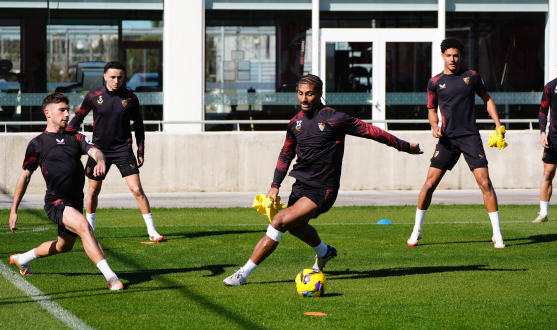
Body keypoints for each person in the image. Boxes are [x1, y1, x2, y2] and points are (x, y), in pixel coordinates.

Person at [223, 74, 423, 286]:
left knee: (278, 222)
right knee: (296, 228)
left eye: (309, 94)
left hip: (323, 189)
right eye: (300, 93)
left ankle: (243, 274)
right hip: (300, 185)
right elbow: (286, 154)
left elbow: (371, 131)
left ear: (319, 94)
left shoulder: (334, 118)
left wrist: (405, 146)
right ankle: (324, 252)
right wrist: (274, 187)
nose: (304, 99)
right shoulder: (295, 123)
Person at [9, 93, 123, 291]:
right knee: (84, 226)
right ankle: (111, 278)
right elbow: (24, 177)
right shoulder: (37, 144)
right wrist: (14, 209)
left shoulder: (75, 137)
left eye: (67, 109)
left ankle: (22, 258)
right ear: (48, 113)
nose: (66, 113)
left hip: (75, 202)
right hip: (56, 202)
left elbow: (94, 150)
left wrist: (101, 160)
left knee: (64, 246)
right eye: (61, 109)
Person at [406, 37, 505, 249]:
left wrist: (497, 123)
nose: (452, 59)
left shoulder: (472, 76)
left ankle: (497, 234)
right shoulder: (434, 82)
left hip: (470, 137)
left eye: (456, 56)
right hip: (447, 139)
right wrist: (434, 126)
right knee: (429, 184)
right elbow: (431, 110)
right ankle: (417, 230)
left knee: (485, 183)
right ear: (442, 56)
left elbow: (487, 99)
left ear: (461, 56)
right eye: (449, 55)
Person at [66, 61, 163, 242]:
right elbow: (78, 118)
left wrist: (140, 151)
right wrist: (65, 137)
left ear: (123, 77)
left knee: (137, 190)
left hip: (123, 150)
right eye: (112, 77)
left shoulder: (131, 98)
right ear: (104, 77)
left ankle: (152, 231)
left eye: (119, 77)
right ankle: (90, 230)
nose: (116, 81)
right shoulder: (93, 96)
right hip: (98, 151)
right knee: (93, 191)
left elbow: (139, 126)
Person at [533, 77, 557, 223]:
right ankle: (543, 214)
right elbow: (543, 110)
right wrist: (542, 132)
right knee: (547, 174)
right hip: (554, 138)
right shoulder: (550, 87)